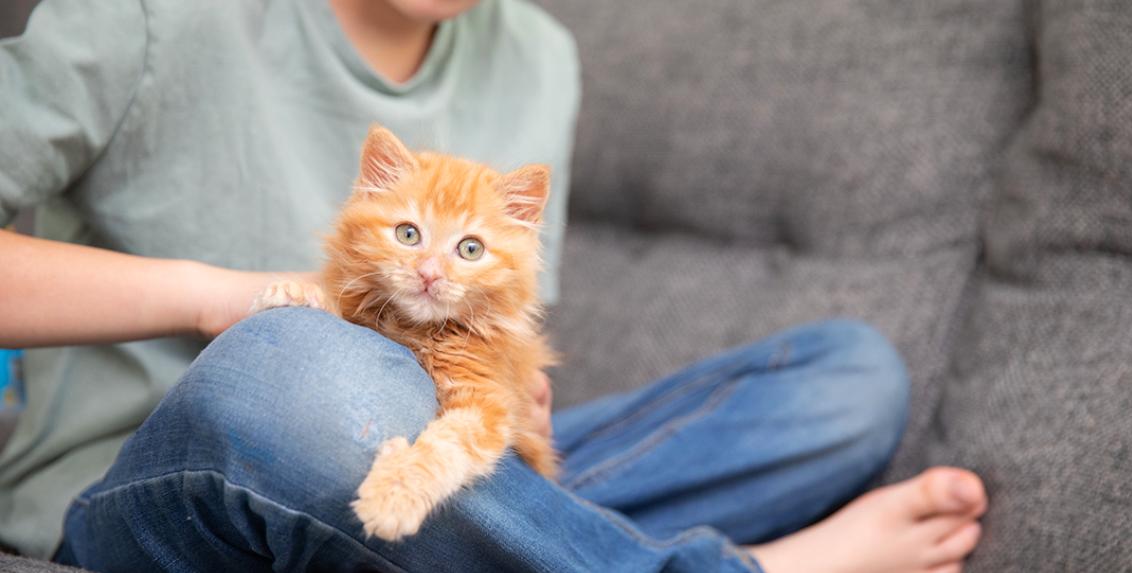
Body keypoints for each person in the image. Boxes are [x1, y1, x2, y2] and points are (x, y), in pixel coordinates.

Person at [0, 0, 987, 571]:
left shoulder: (537, 56)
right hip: (165, 510)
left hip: (413, 480)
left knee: (843, 381)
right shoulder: (160, 13)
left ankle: (537, 547)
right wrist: (218, 296)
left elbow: (500, 307)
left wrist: (511, 392)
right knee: (298, 371)